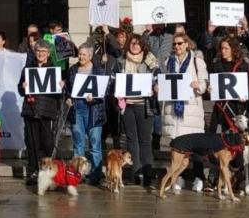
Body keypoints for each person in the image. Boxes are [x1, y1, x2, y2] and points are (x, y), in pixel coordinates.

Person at [161, 35, 209, 193]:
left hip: (191, 110)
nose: (177, 46)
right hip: (173, 110)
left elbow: (205, 82)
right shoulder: (168, 61)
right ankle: (177, 177)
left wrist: (199, 85)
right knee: (176, 148)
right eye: (175, 44)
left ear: (187, 44)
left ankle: (198, 177)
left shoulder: (197, 61)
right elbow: (163, 80)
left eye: (180, 43)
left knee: (195, 147)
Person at [66, 44, 113, 186]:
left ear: (91, 56)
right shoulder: (73, 70)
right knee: (78, 143)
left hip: (94, 110)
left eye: (84, 54)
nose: (81, 57)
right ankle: (77, 175)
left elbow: (105, 90)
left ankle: (95, 175)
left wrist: (95, 98)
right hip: (77, 108)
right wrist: (68, 97)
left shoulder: (99, 70)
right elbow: (68, 89)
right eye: (80, 54)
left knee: (95, 144)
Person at [19, 42, 65, 185]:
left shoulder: (55, 69)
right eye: (39, 50)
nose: (41, 53)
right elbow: (21, 90)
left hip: (47, 112)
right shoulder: (27, 68)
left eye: (44, 51)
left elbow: (59, 95)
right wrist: (23, 86)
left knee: (47, 144)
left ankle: (46, 172)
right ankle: (33, 172)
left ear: (49, 53)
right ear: (35, 51)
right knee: (32, 143)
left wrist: (61, 87)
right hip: (30, 110)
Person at [120, 34, 160, 186]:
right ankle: (135, 173)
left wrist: (156, 86)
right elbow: (114, 80)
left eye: (138, 44)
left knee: (145, 140)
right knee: (131, 140)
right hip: (127, 104)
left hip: (145, 104)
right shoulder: (121, 61)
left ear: (143, 46)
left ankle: (147, 173)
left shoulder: (150, 61)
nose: (135, 46)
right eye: (132, 43)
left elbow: (157, 76)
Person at [208, 36, 249, 134]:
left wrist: (246, 96)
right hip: (222, 109)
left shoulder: (244, 65)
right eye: (222, 48)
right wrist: (210, 89)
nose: (223, 51)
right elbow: (212, 86)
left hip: (239, 107)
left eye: (226, 48)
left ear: (233, 49)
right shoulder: (216, 65)